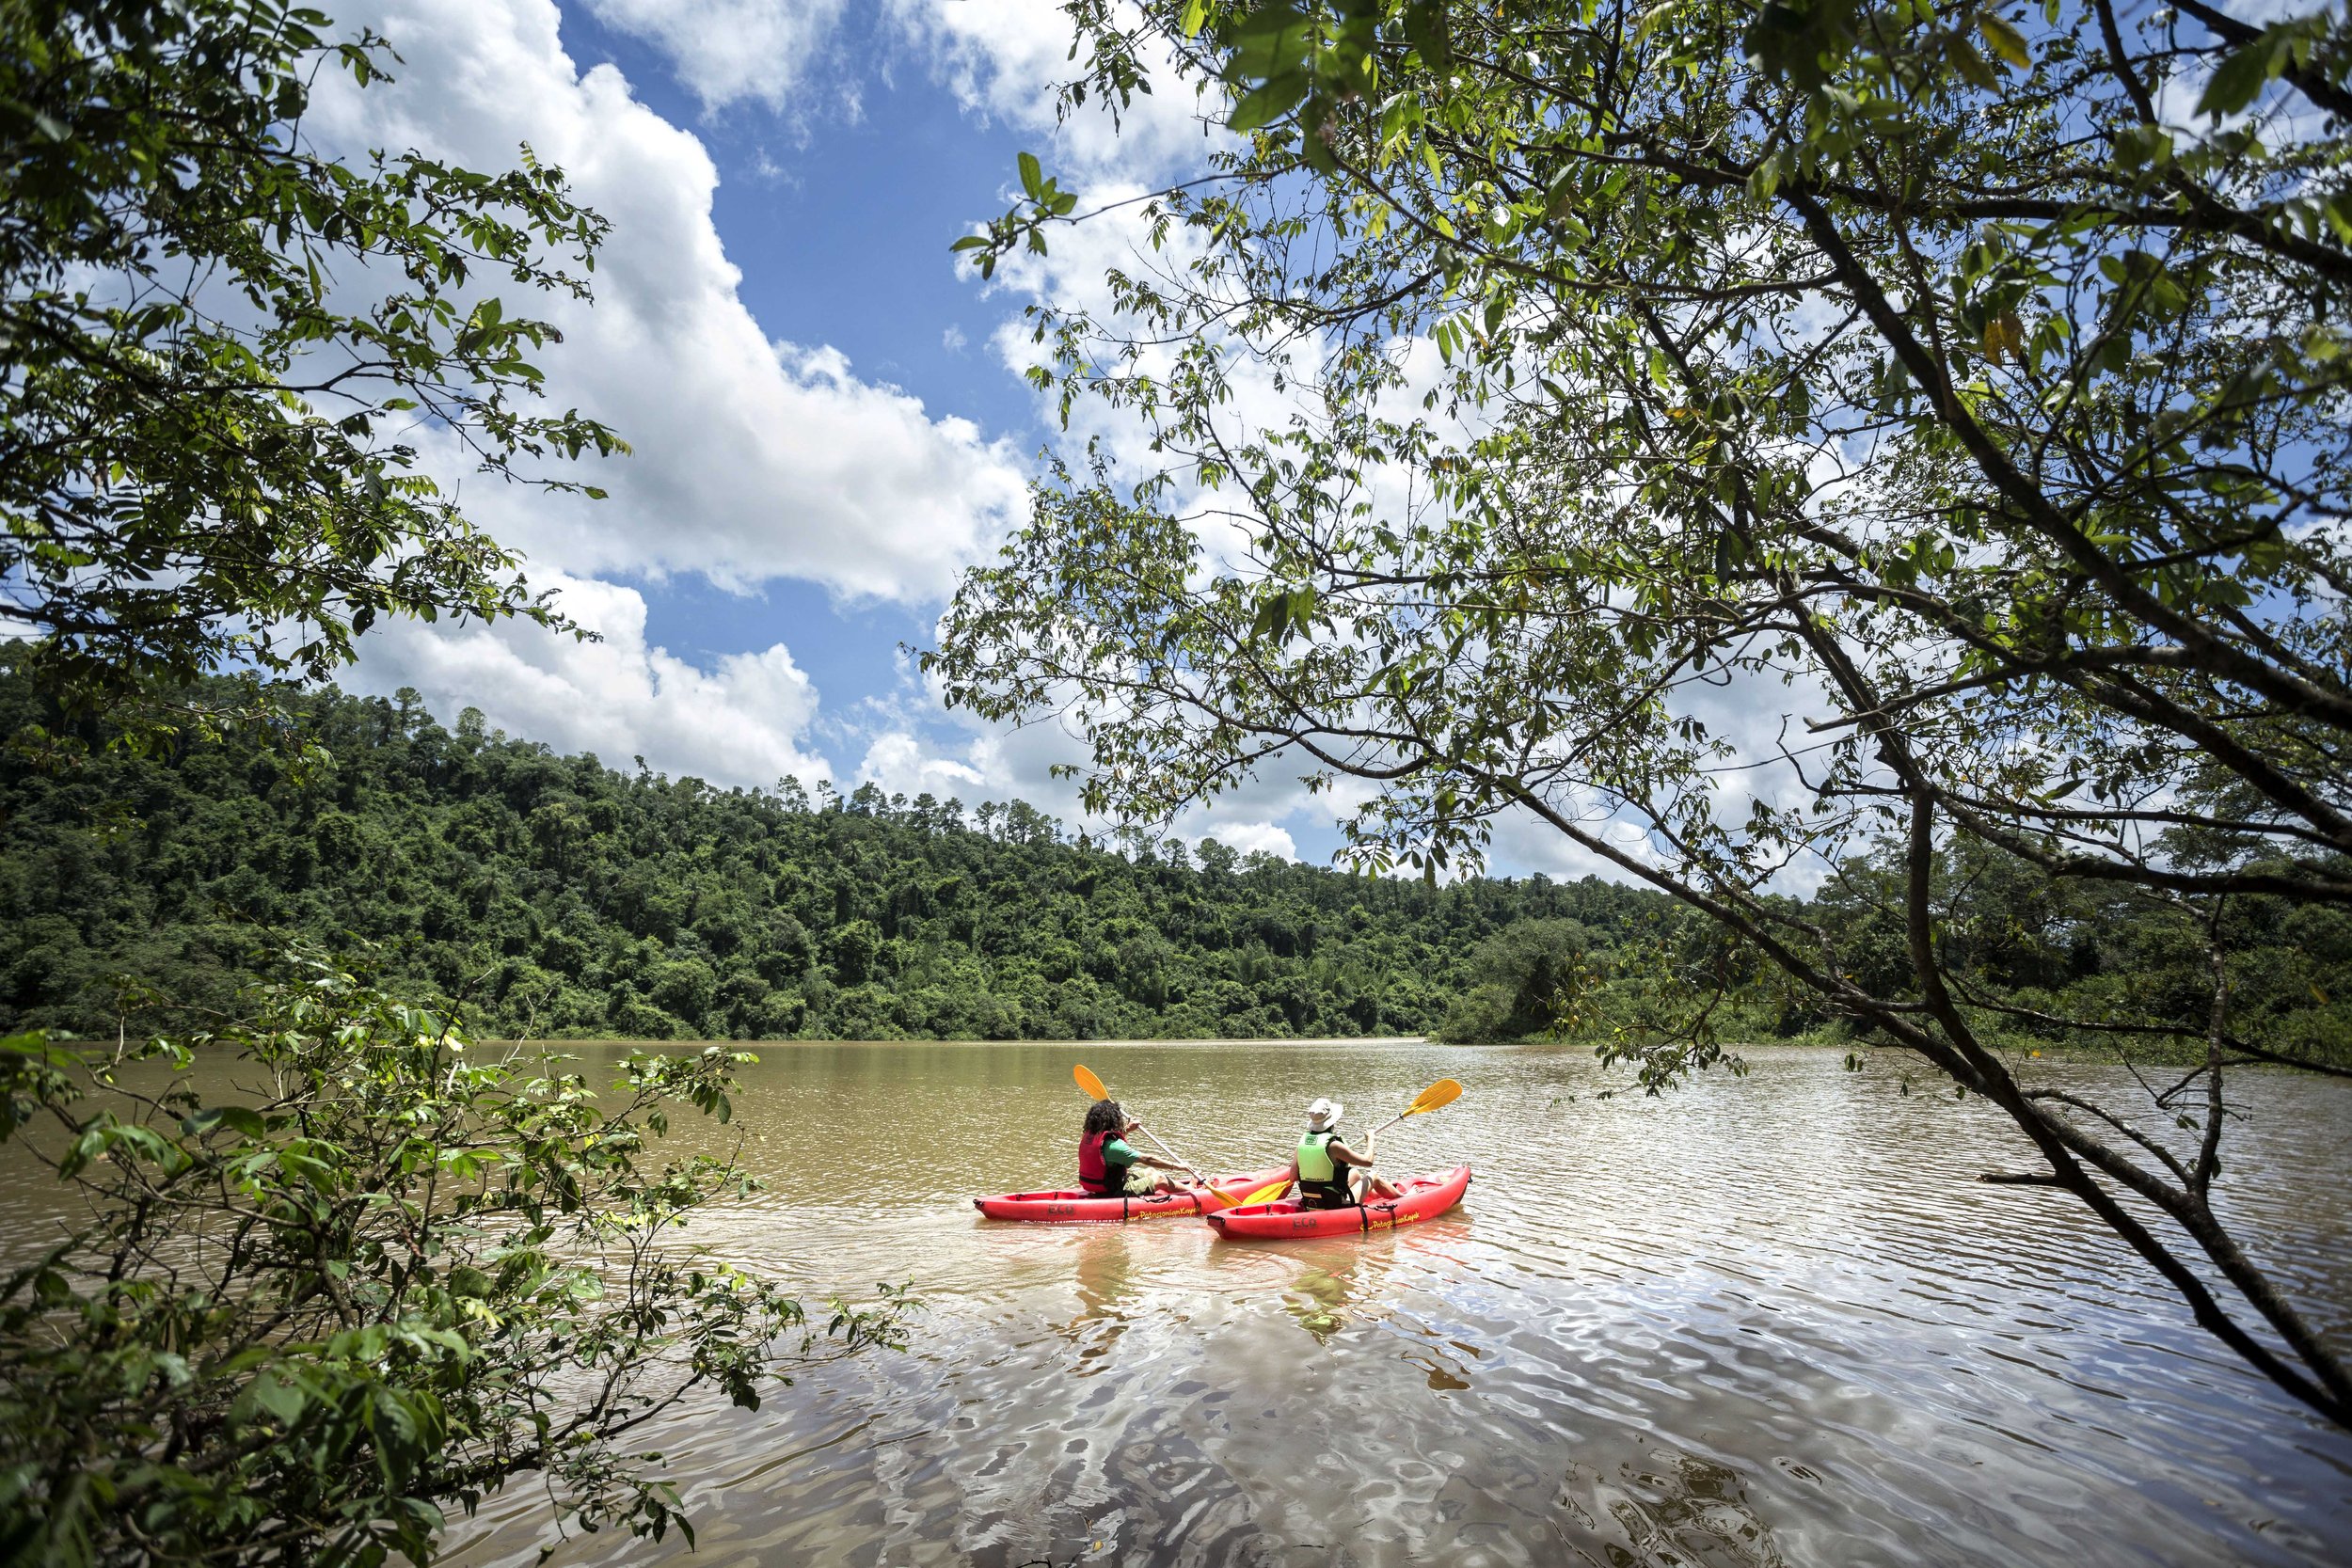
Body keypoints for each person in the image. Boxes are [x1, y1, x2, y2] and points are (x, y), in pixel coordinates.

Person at [1286, 1098, 1401, 1209]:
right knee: (1373, 1176)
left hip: (1313, 1200)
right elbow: (1368, 1161)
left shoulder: (1301, 1145)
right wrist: (1370, 1139)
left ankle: (1375, 1195)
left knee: (1355, 1173)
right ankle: (1403, 1197)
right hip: (1335, 1204)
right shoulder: (1334, 1146)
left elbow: (1293, 1177)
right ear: (1331, 1122)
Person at [1078, 1099, 1194, 1196]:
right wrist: (1178, 1166)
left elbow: (1107, 1145)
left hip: (1095, 1185)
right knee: (1160, 1178)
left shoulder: (1089, 1137)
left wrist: (1127, 1129)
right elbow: (1147, 1159)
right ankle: (1193, 1191)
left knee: (1150, 1171)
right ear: (1114, 1120)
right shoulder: (1116, 1147)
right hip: (1113, 1190)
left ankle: (1186, 1187)